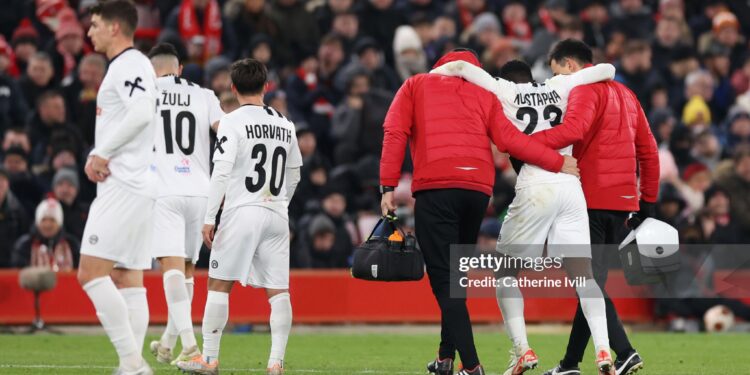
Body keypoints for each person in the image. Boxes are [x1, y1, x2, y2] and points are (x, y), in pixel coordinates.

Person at [379, 49, 579, 375]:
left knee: (445, 281)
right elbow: (509, 140)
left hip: (437, 186)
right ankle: (445, 358)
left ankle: (471, 367)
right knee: (455, 279)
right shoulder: (484, 92)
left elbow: (394, 131)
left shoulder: (416, 85)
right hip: (476, 191)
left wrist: (388, 186)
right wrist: (557, 161)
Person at [432, 58, 617, 374]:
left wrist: (427, 78)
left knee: (505, 273)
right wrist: (570, 76)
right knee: (584, 277)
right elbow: (608, 70)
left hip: (535, 183)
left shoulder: (504, 90)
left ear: (505, 78)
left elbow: (460, 67)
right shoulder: (560, 83)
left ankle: (522, 351)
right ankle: (602, 352)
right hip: (571, 186)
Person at [532, 39, 660, 375]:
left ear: (569, 65)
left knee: (586, 285)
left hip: (588, 200)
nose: (556, 82)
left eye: (557, 72)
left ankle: (625, 351)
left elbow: (573, 129)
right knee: (592, 285)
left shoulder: (584, 91)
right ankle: (570, 363)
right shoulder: (628, 95)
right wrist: (647, 201)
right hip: (621, 204)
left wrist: (525, 144)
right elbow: (649, 151)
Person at [176, 58, 302, 375]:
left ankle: (210, 358)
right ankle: (276, 363)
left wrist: (209, 218)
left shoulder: (232, 122)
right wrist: (279, 203)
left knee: (219, 284)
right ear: (266, 87)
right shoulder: (285, 123)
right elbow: (295, 173)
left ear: (232, 88)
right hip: (276, 213)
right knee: (279, 290)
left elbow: (221, 173)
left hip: (241, 211)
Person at [75, 1, 158, 374]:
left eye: (94, 25)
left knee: (90, 273)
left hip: (124, 184)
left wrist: (101, 153)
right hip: (139, 183)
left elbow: (143, 111)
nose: (88, 32)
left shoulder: (129, 64)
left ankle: (131, 362)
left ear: (113, 28)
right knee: (128, 278)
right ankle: (132, 366)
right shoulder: (130, 65)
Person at [146, 43, 223, 366]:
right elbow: (226, 133)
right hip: (201, 191)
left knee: (171, 267)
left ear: (153, 70)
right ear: (180, 70)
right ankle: (168, 341)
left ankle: (191, 346)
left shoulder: (146, 93)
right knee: (188, 269)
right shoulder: (205, 95)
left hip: (165, 189)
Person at [12, 197, 80, 271]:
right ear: (37, 223)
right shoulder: (24, 246)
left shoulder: (72, 245)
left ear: (59, 223)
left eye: (52, 220)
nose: (47, 225)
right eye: (43, 220)